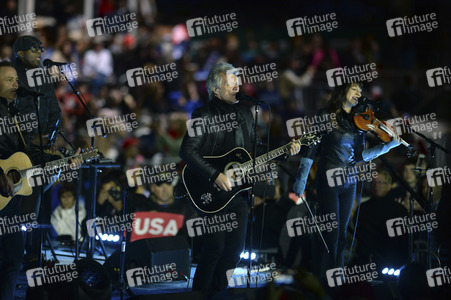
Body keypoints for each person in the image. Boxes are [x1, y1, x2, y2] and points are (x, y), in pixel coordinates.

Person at [179, 62, 299, 298]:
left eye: (237, 80)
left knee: (235, 252)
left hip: (238, 193)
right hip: (210, 189)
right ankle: (199, 295)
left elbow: (258, 151)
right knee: (215, 248)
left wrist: (285, 150)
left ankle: (218, 294)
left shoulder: (245, 113)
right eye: (230, 81)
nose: (237, 84)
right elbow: (187, 151)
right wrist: (215, 174)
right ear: (216, 89)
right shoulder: (203, 115)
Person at [293, 82, 402, 285]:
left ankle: (338, 281)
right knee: (331, 233)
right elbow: (311, 147)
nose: (359, 93)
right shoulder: (325, 114)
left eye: (361, 91)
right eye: (354, 89)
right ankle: (323, 282)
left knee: (342, 235)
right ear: (343, 91)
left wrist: (387, 147)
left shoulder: (358, 120)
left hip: (350, 179)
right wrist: (302, 178)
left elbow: (360, 156)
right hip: (329, 175)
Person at [0, 61, 25, 299]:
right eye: (9, 80)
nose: (15, 84)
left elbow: (21, 156)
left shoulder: (14, 113)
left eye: (16, 80)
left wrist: (64, 160)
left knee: (15, 257)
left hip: (10, 201)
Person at [354, 170, 408, 268]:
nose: (376, 185)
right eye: (374, 182)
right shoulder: (362, 208)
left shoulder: (398, 210)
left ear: (389, 185)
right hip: (364, 259)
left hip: (390, 260)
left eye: (380, 182)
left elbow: (402, 240)